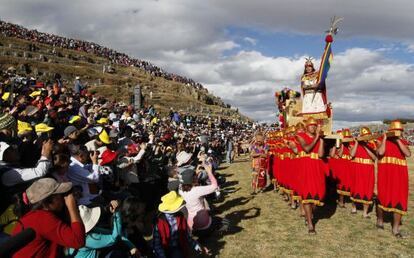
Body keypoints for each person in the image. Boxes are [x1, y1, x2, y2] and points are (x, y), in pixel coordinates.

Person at [12, 178, 85, 258]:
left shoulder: (32, 216)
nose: (63, 197)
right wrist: (72, 206)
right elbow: (78, 241)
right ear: (47, 202)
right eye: (59, 195)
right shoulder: (41, 218)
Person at [376, 120, 411, 237]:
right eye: (396, 130)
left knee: (400, 198)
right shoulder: (381, 140)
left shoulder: (403, 142)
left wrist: (398, 141)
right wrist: (385, 139)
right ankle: (380, 220)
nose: (398, 132)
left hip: (400, 174)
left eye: (400, 131)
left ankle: (395, 229)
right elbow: (380, 152)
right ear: (390, 131)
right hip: (386, 173)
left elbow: (408, 154)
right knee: (383, 195)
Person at [68, 201, 140, 258]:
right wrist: (117, 213)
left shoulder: (87, 233)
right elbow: (114, 238)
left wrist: (132, 247)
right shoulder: (88, 239)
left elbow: (113, 234)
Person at [152, 191, 210, 258]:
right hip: (165, 251)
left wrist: (197, 246)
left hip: (180, 247)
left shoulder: (180, 217)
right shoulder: (158, 223)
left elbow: (186, 235)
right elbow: (157, 245)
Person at [296, 117, 325, 234]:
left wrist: (321, 140)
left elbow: (321, 154)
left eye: (315, 125)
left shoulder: (319, 139)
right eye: (311, 125)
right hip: (305, 170)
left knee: (316, 198)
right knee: (307, 198)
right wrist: (317, 137)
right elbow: (307, 149)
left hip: (317, 170)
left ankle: (309, 215)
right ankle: (310, 225)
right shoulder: (300, 136)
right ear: (307, 126)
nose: (313, 127)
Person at [349, 127, 377, 218]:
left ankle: (365, 212)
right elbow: (352, 154)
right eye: (364, 136)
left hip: (368, 170)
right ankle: (354, 207)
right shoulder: (355, 144)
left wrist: (365, 146)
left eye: (367, 136)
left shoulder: (372, 144)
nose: (366, 137)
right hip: (357, 168)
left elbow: (373, 158)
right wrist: (357, 143)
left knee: (367, 189)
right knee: (355, 187)